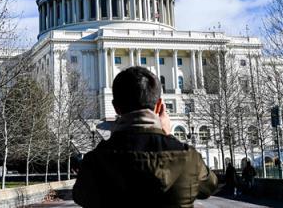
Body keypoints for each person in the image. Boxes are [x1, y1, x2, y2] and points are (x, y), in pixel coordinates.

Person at [73, 66, 218, 208]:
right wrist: (168, 136)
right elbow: (210, 185)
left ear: (115, 107)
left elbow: (81, 196)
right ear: (159, 105)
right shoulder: (188, 158)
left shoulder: (96, 160)